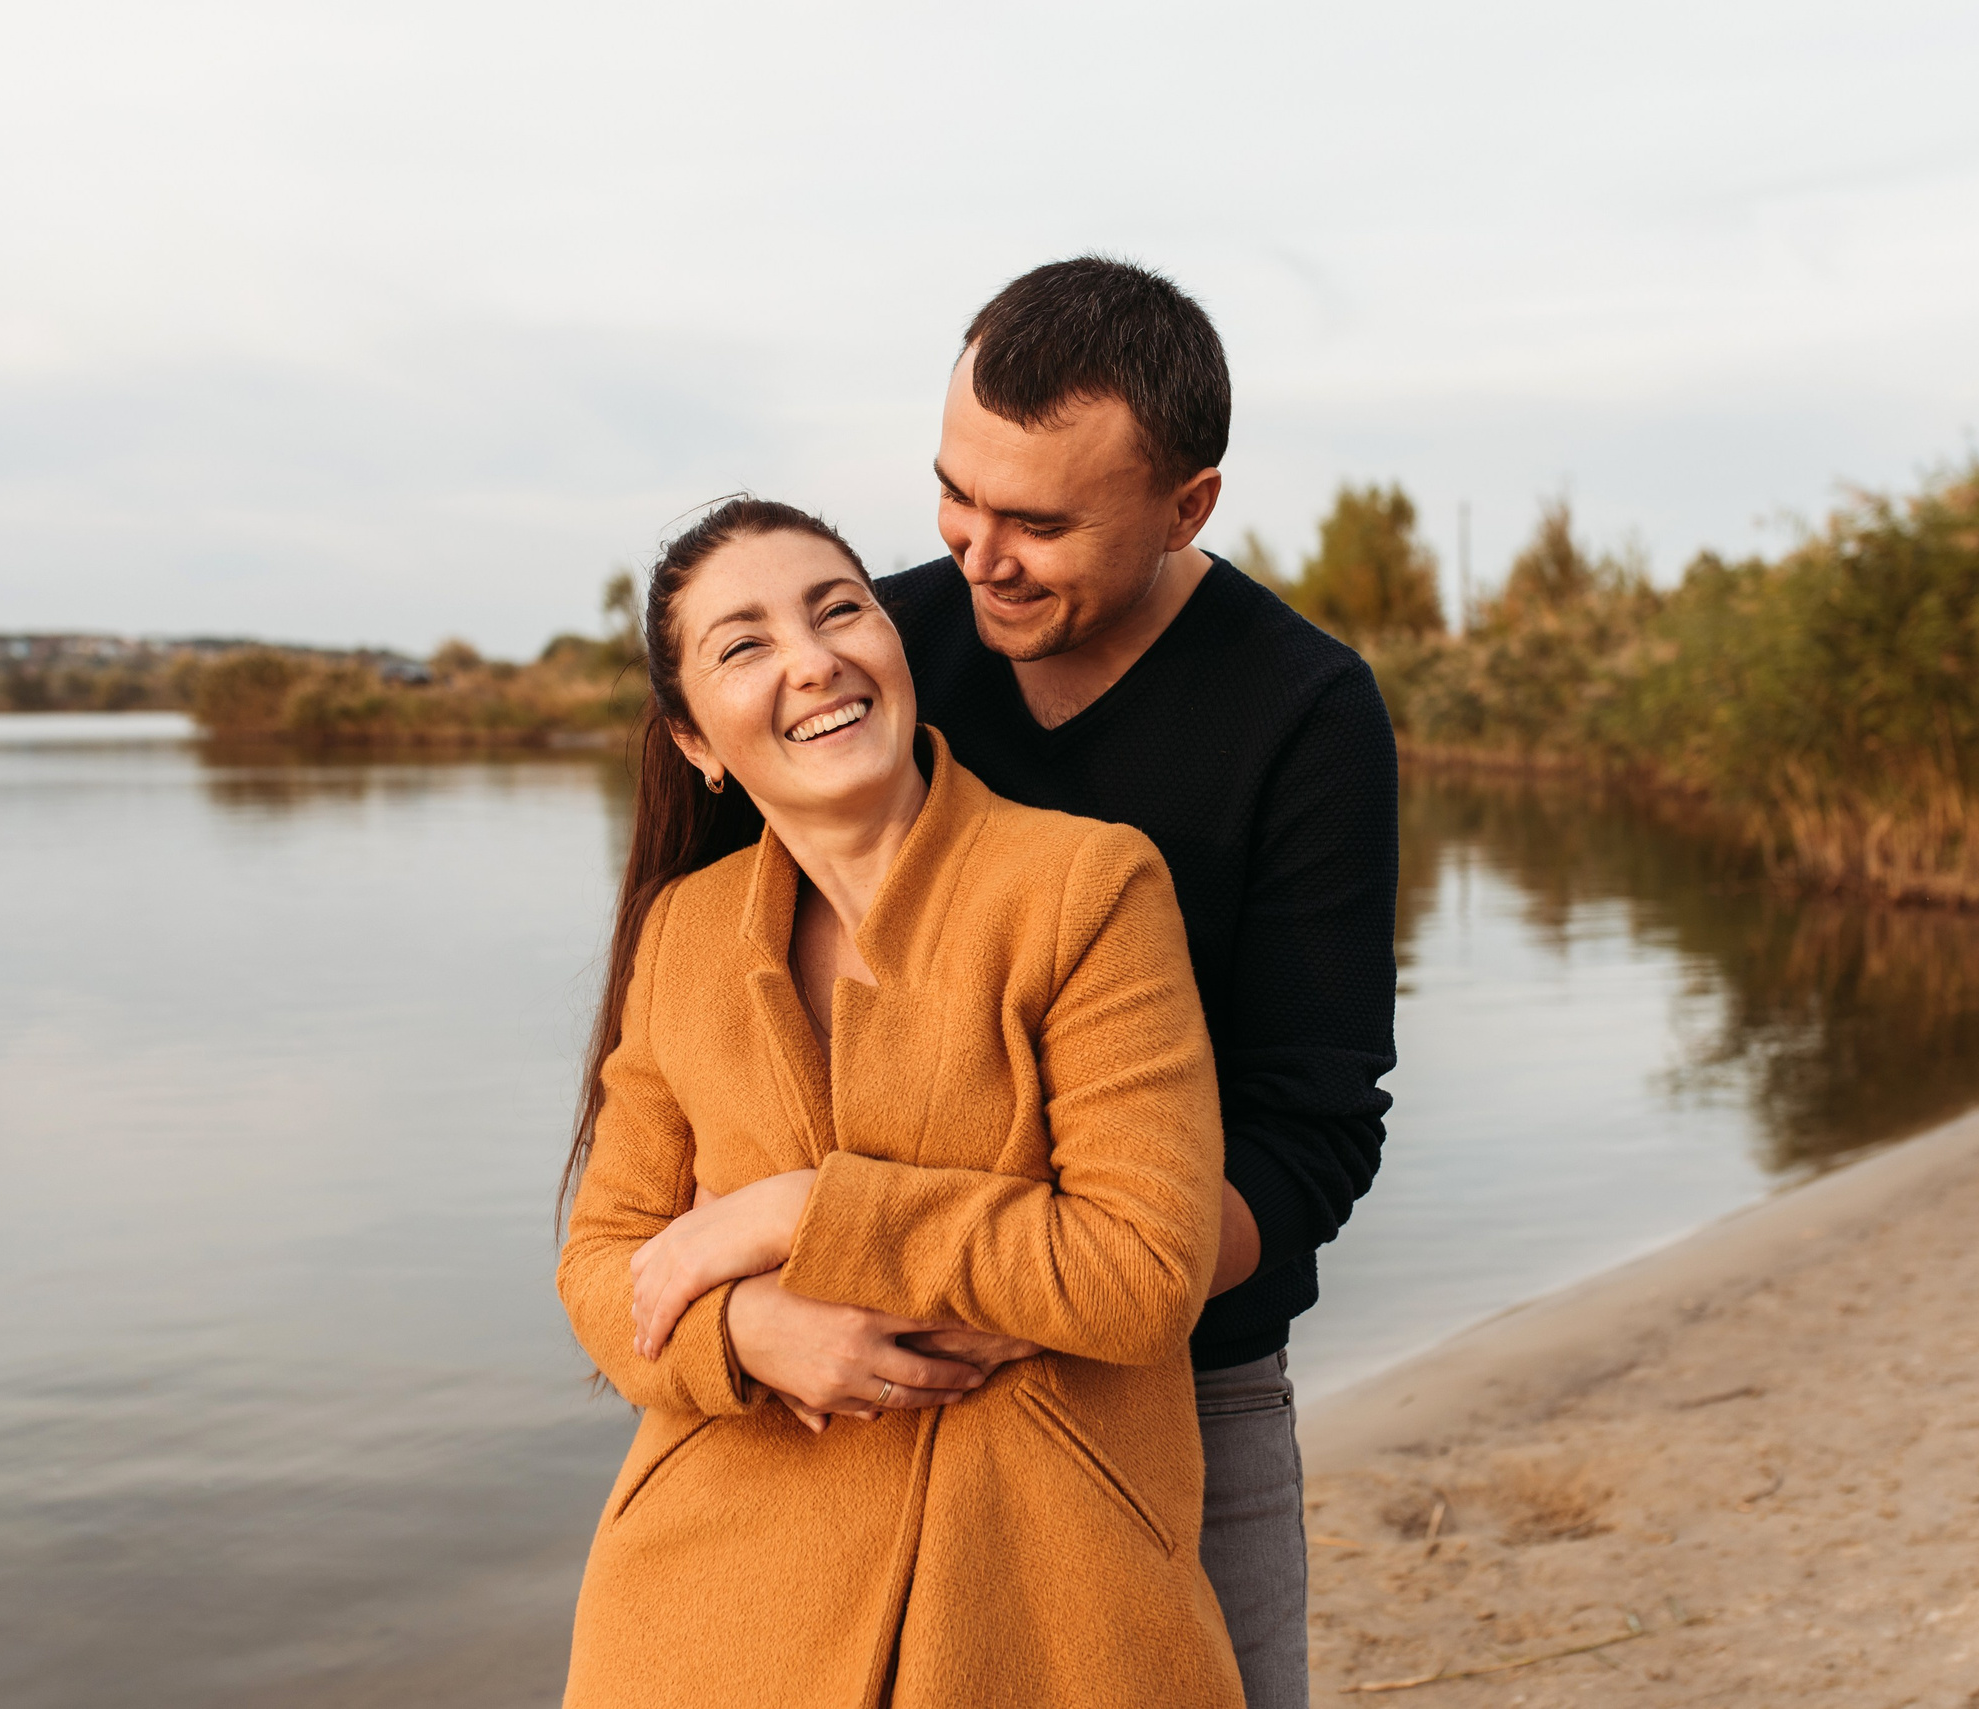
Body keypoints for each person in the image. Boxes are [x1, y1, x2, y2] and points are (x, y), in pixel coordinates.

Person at [555, 496, 1247, 1708]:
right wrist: (749, 1333)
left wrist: (794, 1213)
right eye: (744, 642)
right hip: (707, 1618)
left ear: (893, 643)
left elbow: (1141, 1270)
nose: (812, 658)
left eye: (838, 610)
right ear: (695, 740)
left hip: (1040, 1603)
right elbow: (607, 1267)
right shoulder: (684, 932)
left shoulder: (1086, 886)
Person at [876, 257, 1400, 1709]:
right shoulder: (881, 650)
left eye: (1039, 522)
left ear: (1188, 507)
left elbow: (1314, 1133)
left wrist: (1072, 1292)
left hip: (1184, 1386)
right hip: (876, 1374)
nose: (979, 553)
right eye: (955, 495)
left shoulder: (1307, 712)